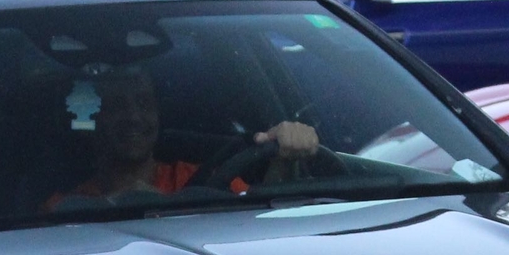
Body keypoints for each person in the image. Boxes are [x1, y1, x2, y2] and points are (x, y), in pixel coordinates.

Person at [54, 67, 318, 204]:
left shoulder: (203, 181)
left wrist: (285, 159)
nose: (134, 117)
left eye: (144, 104)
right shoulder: (65, 206)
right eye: (117, 106)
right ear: (93, 119)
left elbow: (257, 216)